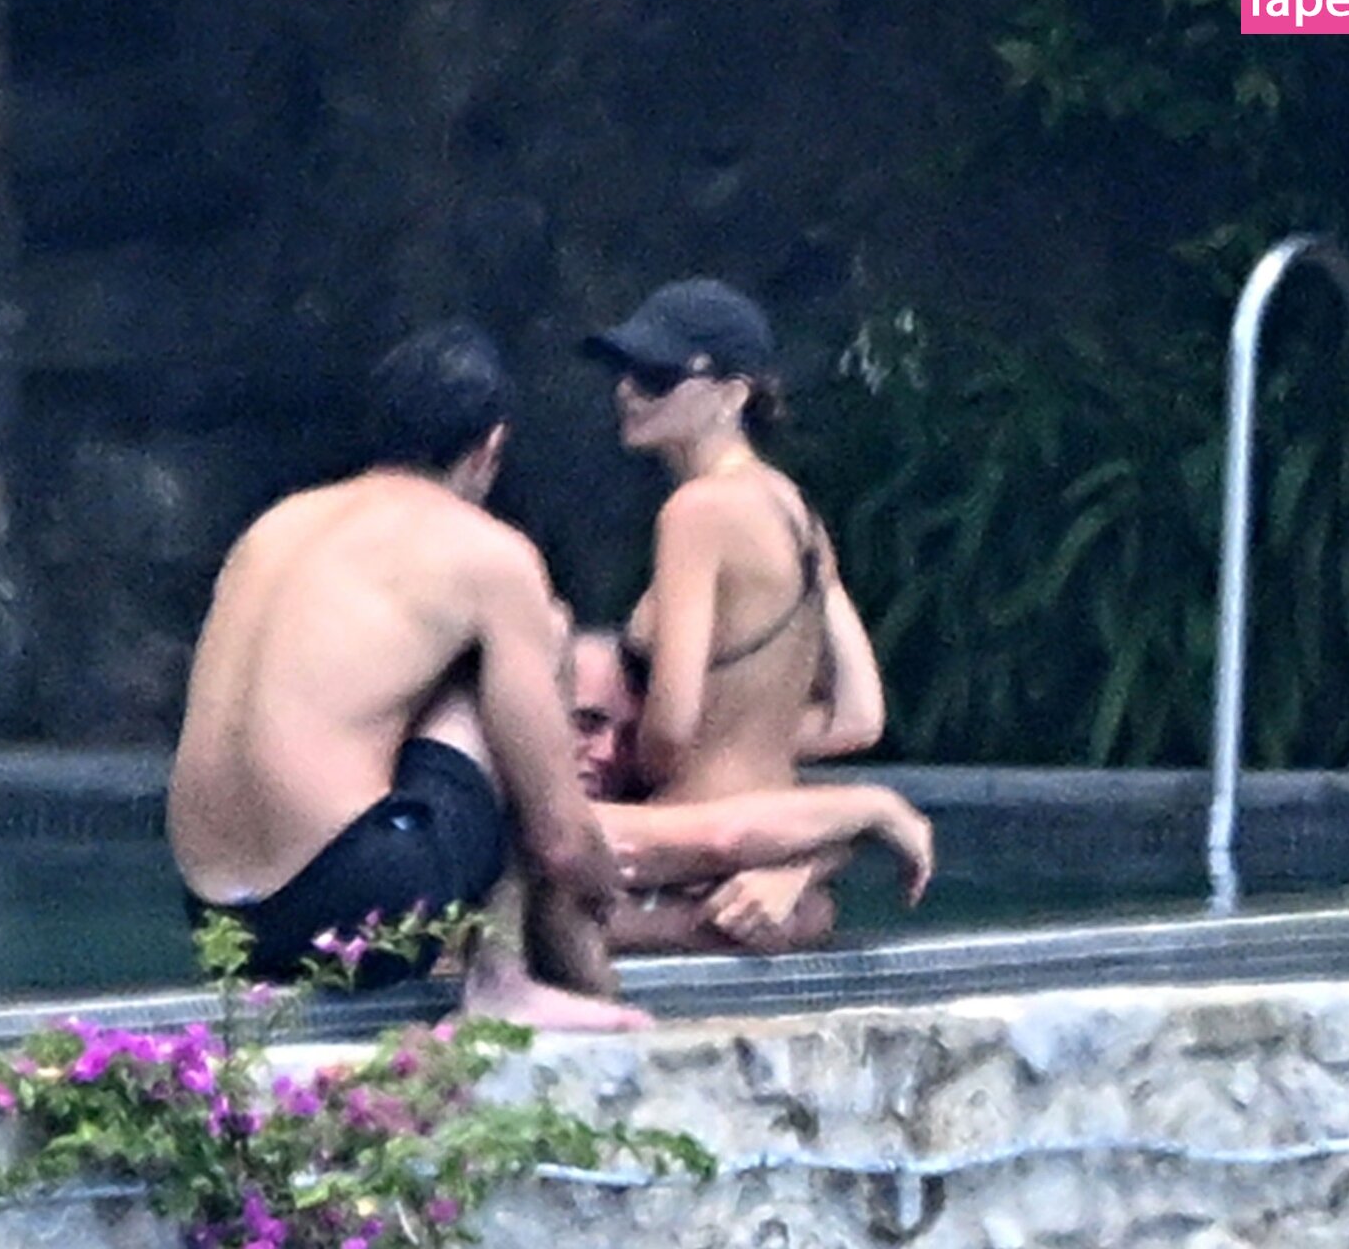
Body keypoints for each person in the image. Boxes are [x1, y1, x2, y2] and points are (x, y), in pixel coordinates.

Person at [169, 322, 649, 1031]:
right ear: (491, 448)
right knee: (540, 632)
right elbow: (558, 837)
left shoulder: (271, 528)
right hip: (348, 912)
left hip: (219, 926)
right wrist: (598, 879)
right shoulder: (488, 554)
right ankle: (504, 978)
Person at [582, 277, 904, 950]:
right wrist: (742, 746)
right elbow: (858, 717)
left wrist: (646, 768)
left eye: (657, 377)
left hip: (692, 848)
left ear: (733, 394)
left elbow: (671, 729)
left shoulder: (695, 512)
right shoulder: (798, 514)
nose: (629, 392)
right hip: (770, 846)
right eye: (626, 373)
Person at [570, 629, 933, 954]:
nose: (608, 752)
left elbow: (855, 722)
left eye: (631, 737)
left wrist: (794, 872)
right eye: (586, 723)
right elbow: (722, 838)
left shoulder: (638, 797)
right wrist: (875, 807)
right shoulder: (546, 818)